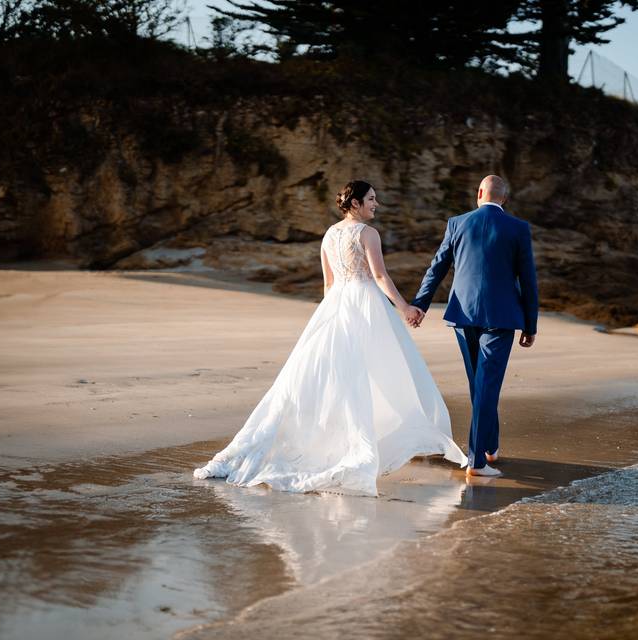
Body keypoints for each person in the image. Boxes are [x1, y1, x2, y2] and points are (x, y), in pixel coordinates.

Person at [193, 180, 467, 496]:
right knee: (382, 373)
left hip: (335, 307)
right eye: (371, 199)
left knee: (336, 379)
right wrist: (405, 308)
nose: (376, 205)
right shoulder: (368, 234)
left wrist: (330, 316)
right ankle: (373, 441)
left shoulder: (329, 235)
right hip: (365, 306)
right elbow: (379, 277)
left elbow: (328, 285)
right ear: (355, 203)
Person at [409, 175, 538, 478]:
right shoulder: (519, 228)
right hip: (502, 317)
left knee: (479, 385)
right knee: (486, 386)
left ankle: (490, 446)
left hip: (463, 315)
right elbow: (528, 280)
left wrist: (420, 305)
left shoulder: (457, 223)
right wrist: (530, 325)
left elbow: (437, 266)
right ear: (504, 199)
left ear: (479, 193)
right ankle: (477, 460)